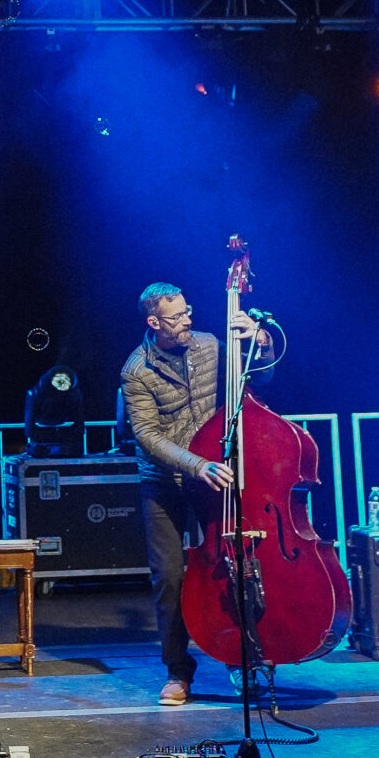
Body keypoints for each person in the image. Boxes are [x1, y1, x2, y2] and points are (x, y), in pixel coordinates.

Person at [118, 283, 270, 708]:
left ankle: (245, 659)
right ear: (154, 323)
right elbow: (146, 435)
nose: (188, 320)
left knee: (235, 566)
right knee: (168, 577)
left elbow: (260, 377)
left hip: (213, 480)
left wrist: (261, 340)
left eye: (188, 312)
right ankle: (177, 671)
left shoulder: (209, 345)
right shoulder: (136, 370)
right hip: (164, 481)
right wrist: (196, 464)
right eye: (177, 317)